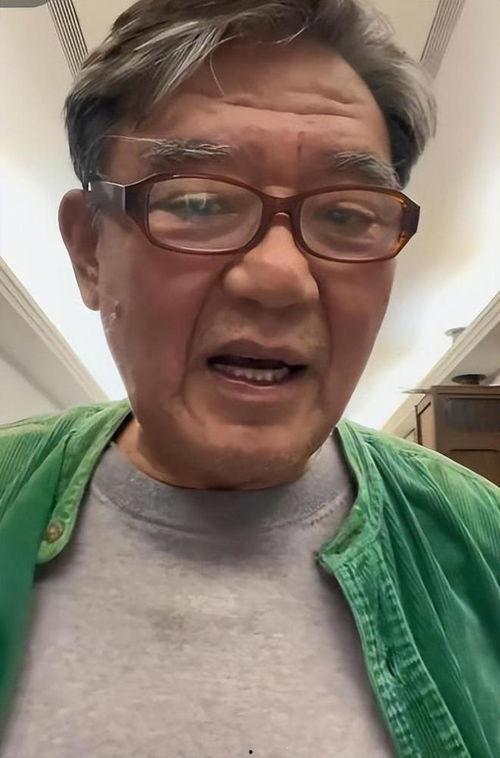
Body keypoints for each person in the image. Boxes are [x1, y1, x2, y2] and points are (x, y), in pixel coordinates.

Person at [0, 0, 499, 755]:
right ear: (90, 252)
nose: (279, 278)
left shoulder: (481, 547)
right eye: (199, 202)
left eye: (346, 216)